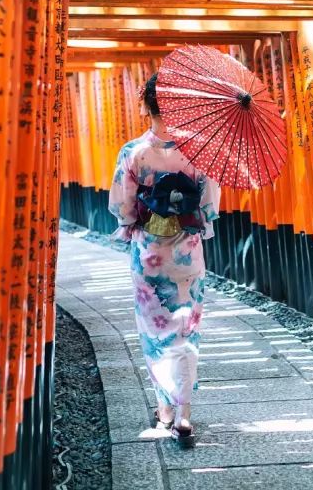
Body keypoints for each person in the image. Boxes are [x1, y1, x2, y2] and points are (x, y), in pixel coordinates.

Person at [108, 73, 221, 448]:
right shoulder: (198, 150)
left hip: (150, 255)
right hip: (187, 253)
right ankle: (185, 413)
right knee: (186, 329)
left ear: (148, 105)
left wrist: (140, 217)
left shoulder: (134, 152)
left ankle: (165, 412)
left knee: (155, 333)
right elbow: (207, 206)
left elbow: (123, 210)